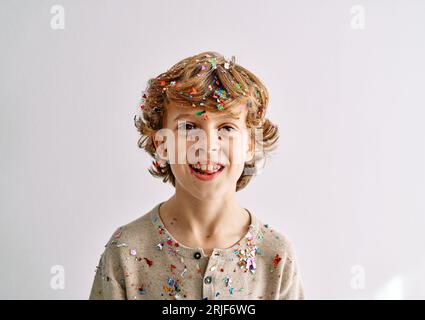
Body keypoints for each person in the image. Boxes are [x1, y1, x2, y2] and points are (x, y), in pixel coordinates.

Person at [89, 51, 304, 300]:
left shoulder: (275, 255)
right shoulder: (126, 251)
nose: (208, 145)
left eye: (226, 127)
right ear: (162, 143)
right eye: (188, 127)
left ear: (250, 145)